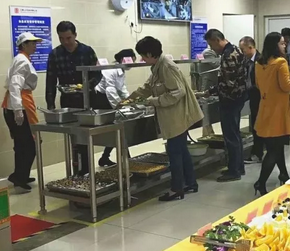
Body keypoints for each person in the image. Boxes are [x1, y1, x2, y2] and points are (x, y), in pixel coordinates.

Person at [125, 37, 203, 201]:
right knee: (181, 151)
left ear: (149, 54)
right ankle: (191, 183)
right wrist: (130, 99)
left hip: (177, 116)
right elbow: (148, 87)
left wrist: (154, 101)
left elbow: (177, 92)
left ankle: (176, 189)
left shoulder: (166, 66)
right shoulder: (157, 66)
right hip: (174, 117)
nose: (142, 59)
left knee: (174, 152)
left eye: (143, 56)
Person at [254, 32, 290, 196]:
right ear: (275, 45)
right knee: (274, 150)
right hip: (278, 111)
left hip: (265, 109)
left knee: (276, 146)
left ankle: (283, 174)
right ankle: (260, 182)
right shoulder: (280, 62)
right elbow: (286, 86)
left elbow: (259, 84)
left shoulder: (259, 63)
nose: (285, 46)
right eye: (282, 43)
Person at [46, 21, 100, 175]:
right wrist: (51, 105)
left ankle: (87, 170)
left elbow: (97, 74)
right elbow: (50, 80)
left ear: (75, 35)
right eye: (61, 38)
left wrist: (86, 86)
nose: (65, 42)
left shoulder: (87, 51)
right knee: (74, 137)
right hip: (68, 101)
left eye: (68, 38)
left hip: (87, 100)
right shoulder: (55, 54)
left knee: (86, 136)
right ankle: (78, 170)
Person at [204, 29, 247, 182]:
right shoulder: (236, 50)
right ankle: (238, 167)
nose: (212, 49)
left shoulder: (228, 55)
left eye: (211, 45)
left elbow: (228, 83)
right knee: (235, 135)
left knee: (230, 136)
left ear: (217, 40)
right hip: (238, 98)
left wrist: (211, 91)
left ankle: (234, 171)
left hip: (230, 100)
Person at [2, 32, 42, 193]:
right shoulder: (22, 61)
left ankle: (20, 175)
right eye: (32, 43)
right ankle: (20, 178)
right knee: (30, 145)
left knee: (21, 144)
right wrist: (18, 109)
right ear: (23, 45)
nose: (35, 45)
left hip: (16, 105)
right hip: (19, 107)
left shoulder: (22, 59)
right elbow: (15, 84)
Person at [94, 48, 136, 167]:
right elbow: (110, 90)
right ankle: (127, 160)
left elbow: (122, 89)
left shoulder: (121, 70)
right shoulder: (111, 70)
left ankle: (106, 157)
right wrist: (119, 105)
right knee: (117, 129)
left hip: (109, 98)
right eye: (131, 60)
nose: (132, 63)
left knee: (118, 129)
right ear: (123, 59)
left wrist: (130, 101)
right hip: (102, 99)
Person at [239, 36, 264, 164]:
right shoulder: (246, 61)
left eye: (243, 49)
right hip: (251, 96)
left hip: (260, 97)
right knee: (255, 124)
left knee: (259, 125)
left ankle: (258, 153)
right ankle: (257, 151)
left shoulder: (261, 60)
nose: (242, 52)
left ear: (250, 47)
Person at [198, 45, 220, 137]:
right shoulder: (208, 52)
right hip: (207, 82)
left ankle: (209, 130)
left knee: (210, 108)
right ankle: (206, 131)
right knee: (206, 106)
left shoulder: (215, 53)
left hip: (212, 83)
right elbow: (217, 64)